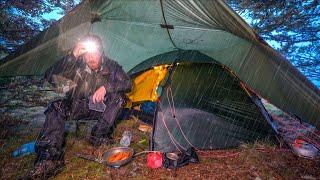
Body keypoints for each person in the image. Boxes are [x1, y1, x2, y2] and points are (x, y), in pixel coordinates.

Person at [27, 34, 132, 178]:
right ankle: (48, 159)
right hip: (79, 106)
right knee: (56, 106)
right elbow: (49, 76)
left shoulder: (112, 66)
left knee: (120, 99)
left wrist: (106, 87)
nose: (91, 58)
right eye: (87, 54)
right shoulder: (76, 64)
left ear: (101, 52)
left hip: (103, 109)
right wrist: (72, 55)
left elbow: (128, 83)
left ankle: (98, 137)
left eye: (94, 53)